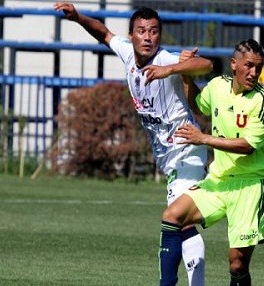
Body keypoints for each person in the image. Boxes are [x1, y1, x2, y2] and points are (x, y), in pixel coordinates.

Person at [53, 2, 213, 285]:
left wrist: (173, 69)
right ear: (132, 36)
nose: (148, 37)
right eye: (141, 31)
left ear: (160, 37)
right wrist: (77, 17)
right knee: (183, 224)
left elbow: (205, 64)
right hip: (169, 158)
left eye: (153, 31)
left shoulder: (165, 60)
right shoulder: (127, 54)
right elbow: (103, 33)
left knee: (174, 220)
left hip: (188, 149)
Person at [160, 39, 264, 286]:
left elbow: (247, 146)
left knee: (237, 264)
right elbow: (198, 105)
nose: (254, 73)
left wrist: (203, 138)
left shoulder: (263, 101)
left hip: (250, 186)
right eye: (249, 66)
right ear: (234, 65)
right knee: (172, 216)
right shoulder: (217, 86)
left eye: (258, 67)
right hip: (219, 181)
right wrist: (186, 75)